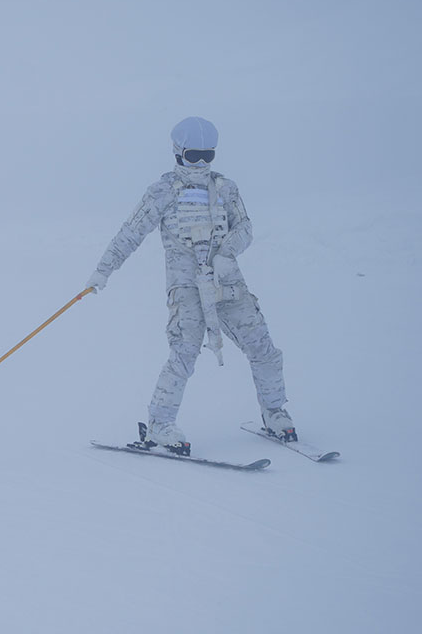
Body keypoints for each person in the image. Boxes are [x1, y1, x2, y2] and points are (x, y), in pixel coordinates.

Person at [84, 117, 294, 456]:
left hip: (227, 283)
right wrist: (101, 272)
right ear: (178, 152)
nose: (200, 164)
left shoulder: (226, 188)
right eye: (193, 155)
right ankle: (161, 423)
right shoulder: (163, 191)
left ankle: (275, 412)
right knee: (184, 351)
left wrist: (228, 251)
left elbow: (245, 227)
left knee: (263, 347)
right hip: (186, 286)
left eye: (207, 156)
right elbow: (130, 234)